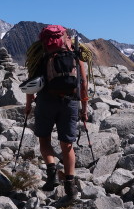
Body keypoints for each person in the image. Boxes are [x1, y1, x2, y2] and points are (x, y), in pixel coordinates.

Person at [24, 25, 88, 199]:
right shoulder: (74, 54)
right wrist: (84, 109)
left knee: (44, 139)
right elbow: (83, 83)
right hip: (70, 102)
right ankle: (70, 185)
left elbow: (32, 83)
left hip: (46, 101)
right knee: (67, 145)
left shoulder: (42, 55)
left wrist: (28, 105)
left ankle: (52, 172)